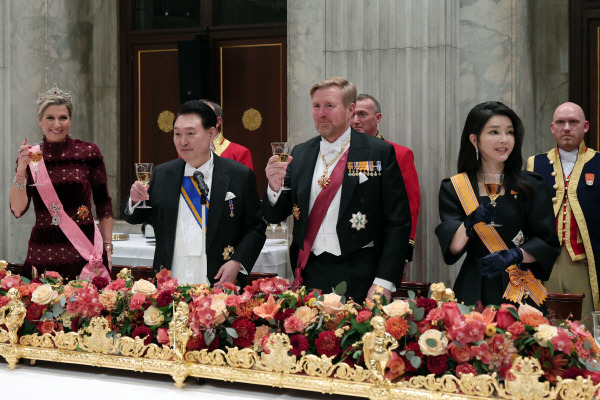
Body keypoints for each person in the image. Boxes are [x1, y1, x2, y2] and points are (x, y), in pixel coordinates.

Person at [263, 77, 411, 303]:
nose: (321, 113)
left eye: (329, 106)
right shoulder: (301, 153)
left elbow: (398, 221)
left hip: (361, 272)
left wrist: (383, 282)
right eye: (316, 106)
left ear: (350, 109)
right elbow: (275, 215)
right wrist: (274, 187)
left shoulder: (377, 152)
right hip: (309, 271)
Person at [122, 100, 265, 288]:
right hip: (170, 282)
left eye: (190, 133)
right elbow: (135, 217)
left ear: (211, 134)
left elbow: (256, 227)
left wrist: (237, 262)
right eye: (177, 134)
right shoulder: (163, 174)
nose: (183, 141)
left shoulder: (238, 175)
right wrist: (134, 199)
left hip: (218, 281)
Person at [435, 101, 560, 307]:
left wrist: (515, 254)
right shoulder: (456, 187)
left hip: (518, 287)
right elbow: (453, 249)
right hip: (475, 285)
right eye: (494, 132)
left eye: (509, 132)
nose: (504, 140)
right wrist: (469, 223)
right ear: (474, 140)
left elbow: (547, 243)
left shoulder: (532, 184)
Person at [9, 83, 114, 280]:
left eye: (62, 118)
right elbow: (17, 210)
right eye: (50, 118)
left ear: (70, 120)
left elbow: (103, 203)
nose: (57, 124)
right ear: (39, 120)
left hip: (83, 250)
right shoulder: (31, 157)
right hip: (43, 250)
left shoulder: (88, 152)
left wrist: (108, 245)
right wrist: (21, 171)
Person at [526, 102, 599, 322]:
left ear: (585, 126)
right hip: (546, 263)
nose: (566, 127)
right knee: (546, 326)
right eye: (561, 122)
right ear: (552, 127)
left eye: (573, 122)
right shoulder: (535, 164)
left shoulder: (598, 163)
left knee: (584, 328)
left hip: (585, 262)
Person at [352, 93, 421, 264]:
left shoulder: (399, 154)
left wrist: (404, 249)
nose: (355, 120)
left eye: (362, 114)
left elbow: (410, 206)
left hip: (384, 247)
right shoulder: (340, 155)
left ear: (377, 118)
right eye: (352, 114)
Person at [200, 99, 254, 171]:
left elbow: (245, 182)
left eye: (203, 117)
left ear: (218, 122)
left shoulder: (239, 153)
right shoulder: (186, 151)